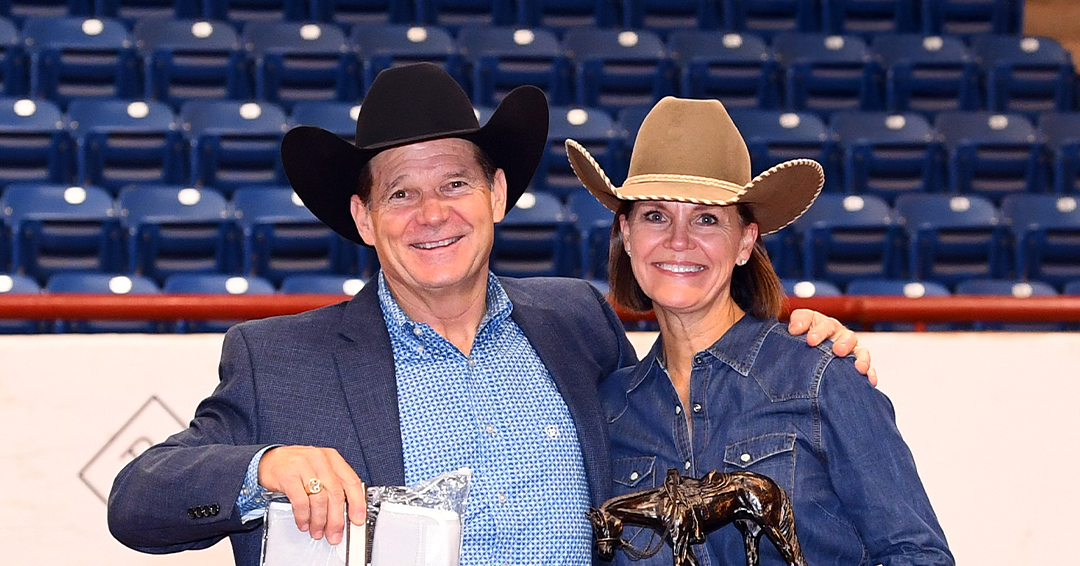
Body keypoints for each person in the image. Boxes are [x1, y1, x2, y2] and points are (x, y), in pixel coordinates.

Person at [107, 64, 869, 566]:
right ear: (364, 218)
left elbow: (687, 397)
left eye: (455, 185)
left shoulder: (576, 321)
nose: (431, 214)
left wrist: (795, 343)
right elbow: (139, 501)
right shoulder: (278, 359)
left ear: (497, 196)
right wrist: (263, 467)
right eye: (400, 192)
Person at [566, 97, 953, 566]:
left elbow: (917, 555)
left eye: (707, 219)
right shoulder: (608, 412)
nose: (679, 240)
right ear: (627, 236)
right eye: (655, 216)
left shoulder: (820, 378)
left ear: (746, 242)